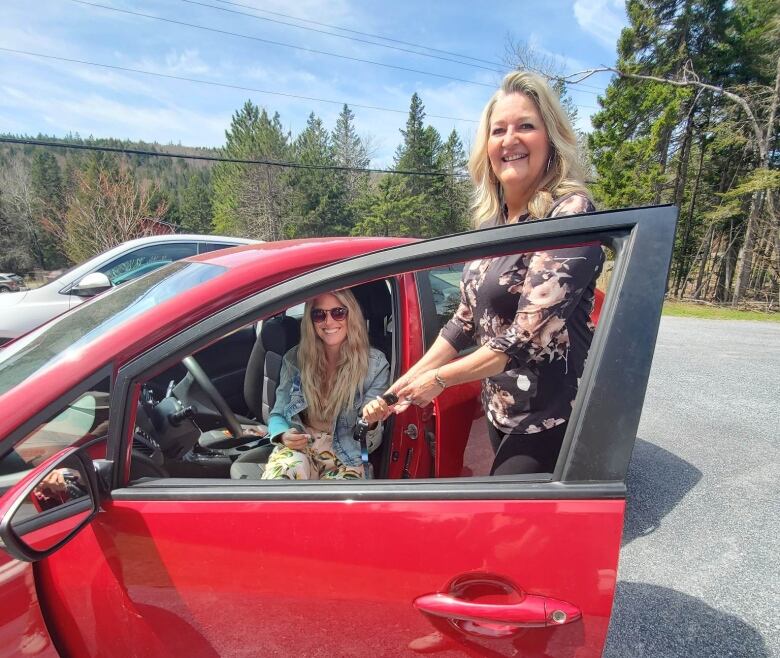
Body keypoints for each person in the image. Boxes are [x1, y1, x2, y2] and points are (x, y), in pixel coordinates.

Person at [383, 70, 605, 477]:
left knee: (512, 532)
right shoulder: (493, 227)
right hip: (501, 407)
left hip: (549, 416)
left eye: (526, 126)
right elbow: (464, 320)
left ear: (550, 138)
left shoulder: (568, 215)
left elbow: (525, 335)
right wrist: (407, 379)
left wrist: (438, 379)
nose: (510, 140)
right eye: (498, 129)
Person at [261, 289, 390, 480]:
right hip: (302, 447)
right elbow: (278, 414)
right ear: (310, 321)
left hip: (348, 454)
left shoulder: (375, 364)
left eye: (338, 312)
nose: (328, 322)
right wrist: (282, 434)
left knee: (333, 507)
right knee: (278, 489)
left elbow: (370, 442)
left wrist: (370, 422)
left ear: (351, 315)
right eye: (319, 314)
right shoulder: (295, 359)